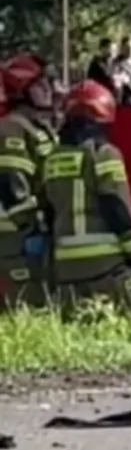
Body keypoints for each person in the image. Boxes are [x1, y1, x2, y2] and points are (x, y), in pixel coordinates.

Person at [37, 82, 131, 308]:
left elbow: (48, 210)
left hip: (66, 270)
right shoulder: (103, 153)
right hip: (107, 265)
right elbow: (117, 206)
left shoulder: (51, 158)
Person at [0, 54, 58, 308]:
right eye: (43, 84)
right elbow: (12, 185)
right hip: (17, 234)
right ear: (24, 89)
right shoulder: (10, 129)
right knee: (26, 303)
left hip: (38, 229)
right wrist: (33, 228)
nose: (51, 90)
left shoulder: (37, 127)